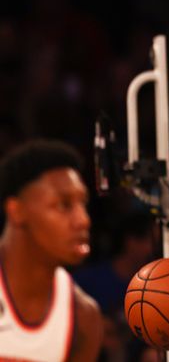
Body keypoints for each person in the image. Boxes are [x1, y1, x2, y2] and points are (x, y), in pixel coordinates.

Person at [0, 139, 103, 361]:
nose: (83, 220)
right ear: (16, 211)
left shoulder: (83, 317)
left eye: (82, 204)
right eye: (64, 205)